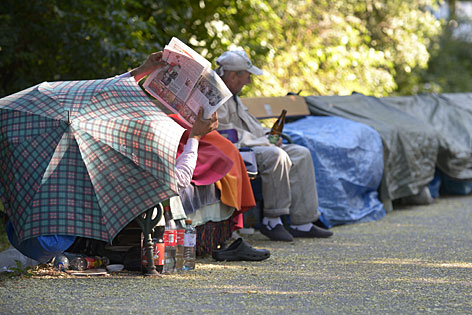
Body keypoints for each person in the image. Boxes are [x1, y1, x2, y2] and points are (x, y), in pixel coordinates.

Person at [215, 50, 333, 242]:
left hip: (254, 144)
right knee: (276, 156)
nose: (249, 82)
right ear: (233, 75)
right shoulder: (217, 94)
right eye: (246, 76)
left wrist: (267, 135)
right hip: (235, 149)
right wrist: (264, 142)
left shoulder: (234, 95)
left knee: (301, 153)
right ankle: (272, 220)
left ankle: (302, 222)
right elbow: (226, 132)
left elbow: (250, 125)